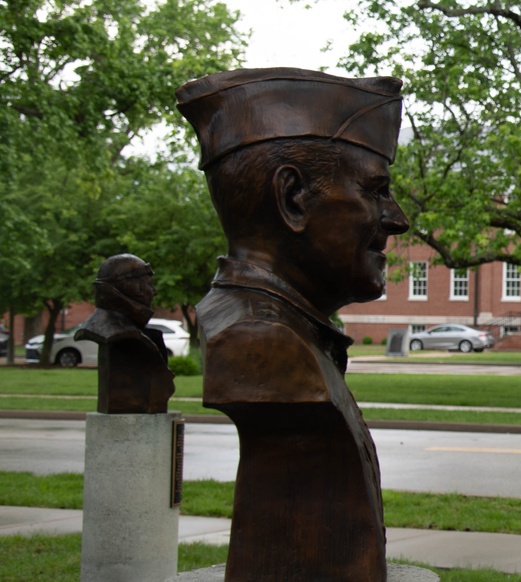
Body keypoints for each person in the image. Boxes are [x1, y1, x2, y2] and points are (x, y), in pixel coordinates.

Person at [176, 67, 409, 581]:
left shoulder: (295, 332)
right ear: (293, 198)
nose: (397, 218)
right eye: (376, 191)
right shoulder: (261, 339)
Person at [75, 254, 174, 414]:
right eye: (149, 285)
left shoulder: (141, 335)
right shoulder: (119, 334)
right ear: (130, 287)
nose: (154, 292)